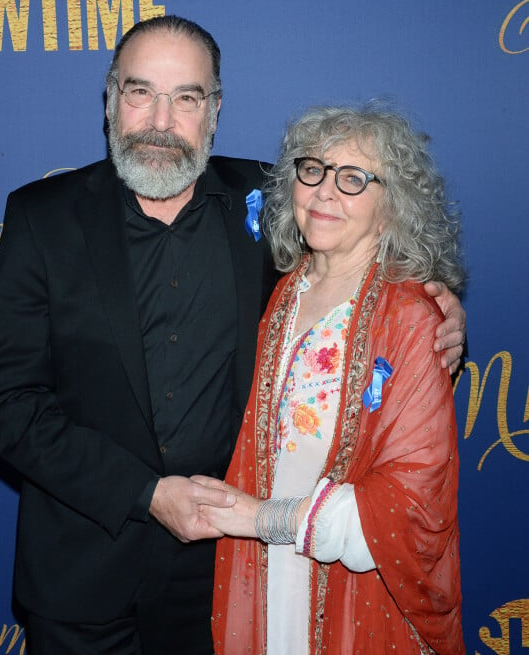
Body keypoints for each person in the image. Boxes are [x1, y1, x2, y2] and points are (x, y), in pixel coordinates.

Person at [0, 16, 465, 655]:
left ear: (215, 109)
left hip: (226, 578)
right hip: (79, 579)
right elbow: (6, 406)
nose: (160, 120)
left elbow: (357, 263)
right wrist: (145, 493)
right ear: (109, 98)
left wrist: (437, 301)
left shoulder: (274, 201)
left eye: (187, 97)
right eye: (139, 91)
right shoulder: (42, 217)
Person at [197, 105, 465, 654]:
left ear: (393, 208)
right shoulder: (281, 290)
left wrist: (260, 519)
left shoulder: (411, 317)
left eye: (353, 179)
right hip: (271, 582)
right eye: (313, 169)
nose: (323, 192)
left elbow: (413, 507)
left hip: (355, 588)